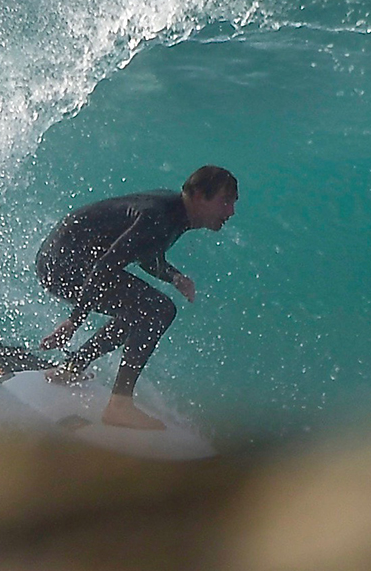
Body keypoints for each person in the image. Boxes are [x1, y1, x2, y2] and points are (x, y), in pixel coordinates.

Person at [36, 165, 238, 430]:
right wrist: (74, 321)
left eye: (232, 204)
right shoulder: (160, 217)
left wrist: (173, 276)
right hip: (63, 265)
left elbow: (142, 250)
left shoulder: (174, 211)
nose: (230, 212)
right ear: (200, 195)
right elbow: (105, 266)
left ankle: (71, 369)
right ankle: (119, 405)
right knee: (158, 310)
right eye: (225, 201)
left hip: (66, 261)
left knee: (142, 310)